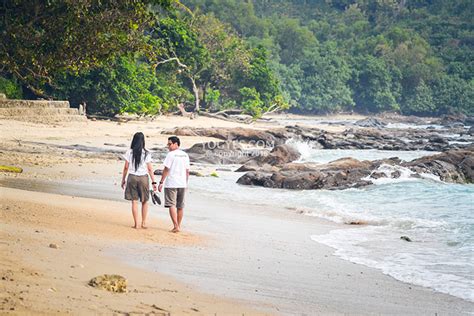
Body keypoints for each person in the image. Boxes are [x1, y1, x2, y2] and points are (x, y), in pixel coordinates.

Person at [121, 132, 157, 229]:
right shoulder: (147, 153)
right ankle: (144, 223)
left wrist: (123, 179)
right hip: (143, 178)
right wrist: (154, 182)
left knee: (134, 201)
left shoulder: (129, 152)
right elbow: (149, 169)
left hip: (132, 177)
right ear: (143, 141)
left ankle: (136, 224)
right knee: (145, 201)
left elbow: (126, 167)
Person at [158, 136, 190, 233]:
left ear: (176, 144)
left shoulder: (171, 155)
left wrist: (161, 182)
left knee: (171, 204)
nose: (168, 146)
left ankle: (176, 226)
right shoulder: (185, 155)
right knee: (180, 206)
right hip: (182, 183)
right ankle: (178, 226)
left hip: (171, 183)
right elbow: (187, 171)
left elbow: (166, 169)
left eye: (170, 144)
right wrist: (186, 182)